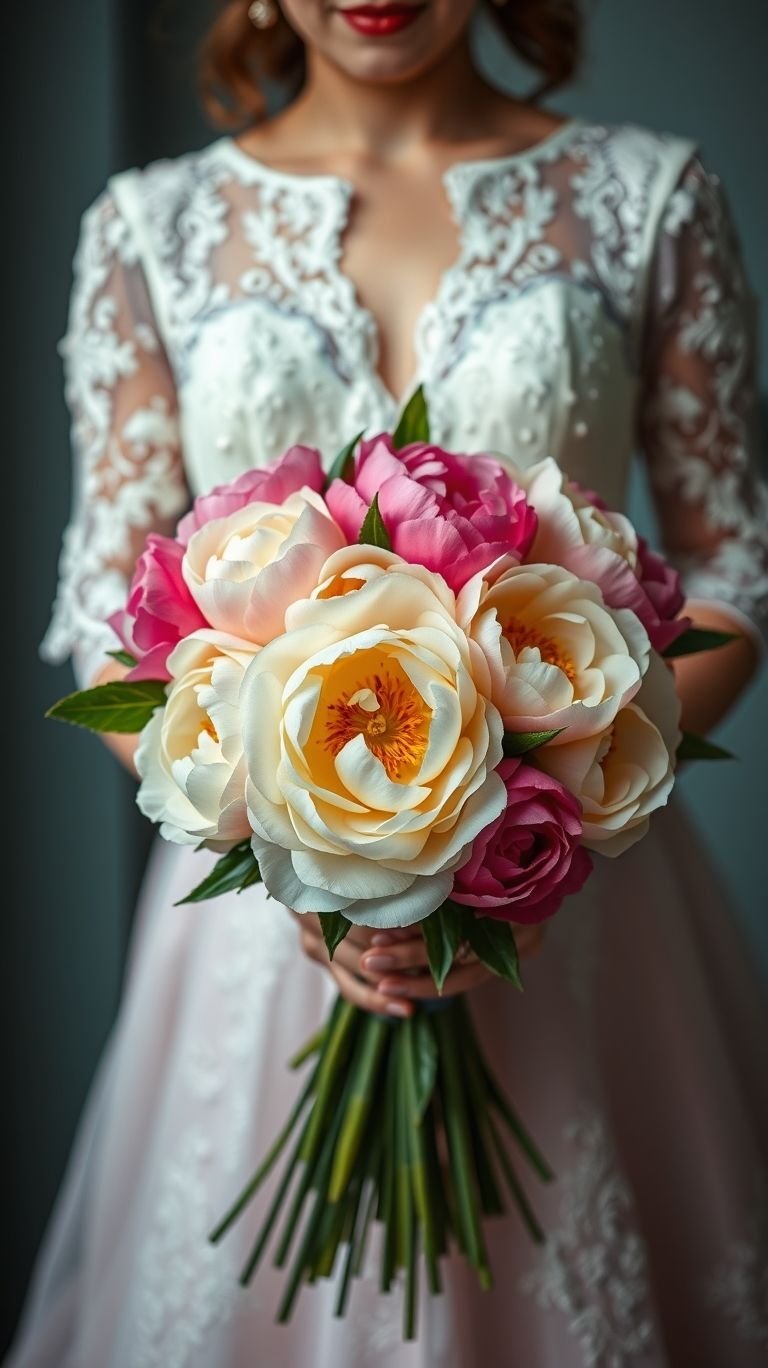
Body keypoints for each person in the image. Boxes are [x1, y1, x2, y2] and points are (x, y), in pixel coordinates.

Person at [9, 0, 768, 1364]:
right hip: (260, 932)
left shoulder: (654, 198)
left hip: (579, 894)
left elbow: (731, 576)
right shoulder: (149, 228)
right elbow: (101, 604)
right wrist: (293, 847)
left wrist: (545, 819)